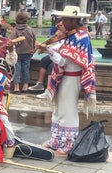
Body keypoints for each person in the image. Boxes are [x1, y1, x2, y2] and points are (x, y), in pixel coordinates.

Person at [34, 5, 96, 156]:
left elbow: (62, 61)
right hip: (64, 77)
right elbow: (59, 50)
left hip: (71, 78)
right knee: (58, 109)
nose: (62, 22)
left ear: (73, 20)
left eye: (65, 19)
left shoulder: (80, 37)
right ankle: (56, 140)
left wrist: (47, 49)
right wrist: (47, 47)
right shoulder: (71, 36)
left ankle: (68, 144)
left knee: (68, 110)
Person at [29, 19, 66, 98]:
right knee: (44, 60)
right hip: (57, 54)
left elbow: (57, 48)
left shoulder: (68, 35)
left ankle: (49, 90)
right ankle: (40, 83)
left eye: (61, 26)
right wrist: (43, 48)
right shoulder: (59, 34)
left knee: (51, 66)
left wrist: (45, 48)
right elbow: (54, 45)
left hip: (63, 57)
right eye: (58, 26)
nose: (59, 28)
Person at [9, 12, 36, 93]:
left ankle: (16, 87)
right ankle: (25, 86)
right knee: (26, 69)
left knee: (17, 69)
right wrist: (33, 49)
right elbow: (34, 40)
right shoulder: (30, 29)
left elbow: (10, 41)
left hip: (17, 52)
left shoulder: (14, 30)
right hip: (28, 52)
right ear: (26, 20)